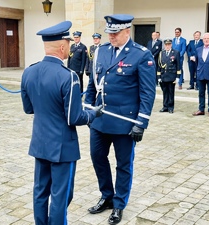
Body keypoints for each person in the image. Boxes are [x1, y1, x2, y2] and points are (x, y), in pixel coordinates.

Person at [20, 21, 103, 225]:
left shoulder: (28, 72)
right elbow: (74, 117)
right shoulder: (68, 76)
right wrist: (93, 114)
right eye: (67, 42)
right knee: (60, 195)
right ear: (63, 46)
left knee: (40, 191)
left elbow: (29, 108)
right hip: (62, 146)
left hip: (40, 143)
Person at [84, 14, 156, 225]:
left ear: (127, 32)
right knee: (97, 158)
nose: (111, 37)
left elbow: (147, 93)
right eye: (110, 33)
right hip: (100, 120)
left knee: (124, 165)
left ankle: (119, 203)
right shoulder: (100, 51)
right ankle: (106, 195)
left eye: (115, 33)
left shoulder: (141, 55)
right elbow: (92, 83)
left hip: (125, 121)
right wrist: (88, 110)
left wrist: (141, 123)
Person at [157, 38, 180, 113]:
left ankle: (170, 107)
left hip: (171, 76)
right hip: (164, 76)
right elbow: (159, 66)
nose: (167, 46)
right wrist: (158, 77)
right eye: (166, 45)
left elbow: (178, 65)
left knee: (171, 92)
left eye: (169, 44)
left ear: (171, 45)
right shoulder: (161, 53)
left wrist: (177, 77)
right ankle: (165, 106)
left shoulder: (175, 53)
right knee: (165, 92)